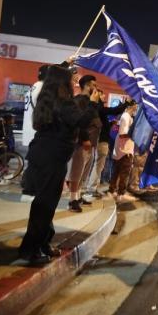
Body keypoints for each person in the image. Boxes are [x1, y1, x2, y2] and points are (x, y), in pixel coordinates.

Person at [18, 65, 97, 265]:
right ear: (62, 83)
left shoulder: (48, 100)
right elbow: (81, 120)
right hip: (51, 158)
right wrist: (91, 102)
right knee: (44, 206)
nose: (73, 83)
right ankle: (30, 250)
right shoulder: (63, 103)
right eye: (70, 80)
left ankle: (42, 243)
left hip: (42, 154)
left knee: (45, 204)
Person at [85, 91, 130, 197]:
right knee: (98, 166)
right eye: (101, 94)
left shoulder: (97, 109)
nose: (104, 95)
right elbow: (115, 111)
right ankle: (91, 188)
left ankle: (91, 187)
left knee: (98, 166)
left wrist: (110, 124)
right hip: (101, 141)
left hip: (100, 140)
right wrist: (126, 103)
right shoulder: (98, 108)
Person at [66, 75, 101, 212]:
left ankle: (78, 196)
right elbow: (80, 123)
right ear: (86, 85)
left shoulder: (90, 101)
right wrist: (84, 138)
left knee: (83, 173)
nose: (95, 87)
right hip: (82, 143)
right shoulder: (79, 101)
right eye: (93, 84)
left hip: (90, 143)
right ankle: (72, 199)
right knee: (76, 173)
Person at [109, 102, 138, 201]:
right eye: (136, 105)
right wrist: (134, 133)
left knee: (117, 171)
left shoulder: (127, 116)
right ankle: (120, 193)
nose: (137, 107)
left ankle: (112, 191)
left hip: (122, 149)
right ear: (131, 106)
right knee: (124, 173)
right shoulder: (126, 117)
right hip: (125, 150)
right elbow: (122, 134)